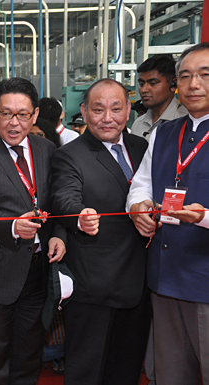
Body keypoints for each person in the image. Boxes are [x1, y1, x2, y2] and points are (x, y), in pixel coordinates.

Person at [0, 77, 66, 385]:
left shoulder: (47, 149)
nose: (13, 122)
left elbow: (59, 200)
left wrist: (58, 232)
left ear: (34, 115)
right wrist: (12, 225)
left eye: (22, 114)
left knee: (29, 351)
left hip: (37, 268)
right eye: (6, 113)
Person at [51, 78, 151, 385]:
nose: (107, 118)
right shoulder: (70, 154)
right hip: (93, 285)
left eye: (116, 109)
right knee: (86, 371)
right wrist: (79, 216)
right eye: (98, 109)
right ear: (84, 111)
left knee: (127, 368)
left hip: (140, 281)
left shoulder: (142, 146)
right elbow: (64, 198)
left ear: (128, 111)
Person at [127, 42, 209, 385]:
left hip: (204, 276)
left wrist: (203, 217)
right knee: (171, 372)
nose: (193, 85)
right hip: (164, 276)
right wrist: (138, 207)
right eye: (185, 76)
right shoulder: (164, 132)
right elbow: (141, 183)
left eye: (204, 76)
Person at [131, 54, 188, 139]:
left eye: (153, 83)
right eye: (141, 84)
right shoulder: (138, 124)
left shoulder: (187, 121)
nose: (144, 90)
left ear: (173, 85)